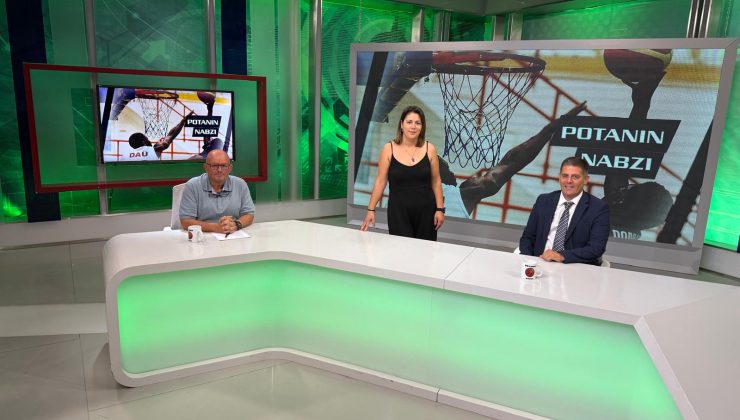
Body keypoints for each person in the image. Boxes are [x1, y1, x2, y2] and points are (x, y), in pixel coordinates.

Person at [440, 102, 587, 217]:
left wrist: (551, 129)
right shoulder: (463, 194)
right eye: (443, 166)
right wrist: (550, 129)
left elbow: (514, 160)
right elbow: (513, 161)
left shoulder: (465, 193)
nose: (451, 171)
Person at [360, 105, 445, 240]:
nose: (413, 127)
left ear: (422, 127)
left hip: (426, 212)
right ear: (401, 125)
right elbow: (380, 181)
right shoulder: (388, 149)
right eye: (409, 122)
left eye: (418, 123)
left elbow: (436, 181)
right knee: (401, 250)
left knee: (425, 251)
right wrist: (371, 209)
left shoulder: (430, 149)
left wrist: (440, 209)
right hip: (398, 213)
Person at [519, 156, 610, 265]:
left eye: (575, 177)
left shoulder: (598, 208)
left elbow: (596, 248)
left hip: (574, 266)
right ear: (559, 177)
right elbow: (527, 237)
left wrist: (562, 256)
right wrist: (530, 262)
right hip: (539, 263)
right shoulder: (543, 200)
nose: (569, 181)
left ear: (586, 180)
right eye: (565, 176)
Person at [179, 150, 255, 233]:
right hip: (202, 235)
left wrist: (236, 225)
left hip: (233, 234)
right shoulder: (192, 186)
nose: (219, 170)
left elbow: (249, 214)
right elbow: (186, 221)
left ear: (230, 168)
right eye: (214, 166)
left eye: (224, 166)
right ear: (206, 167)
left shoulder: (240, 184)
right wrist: (215, 228)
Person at [120, 111, 194, 161]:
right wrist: (182, 122)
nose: (149, 141)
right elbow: (171, 135)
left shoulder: (124, 156)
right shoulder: (155, 149)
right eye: (147, 139)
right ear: (143, 142)